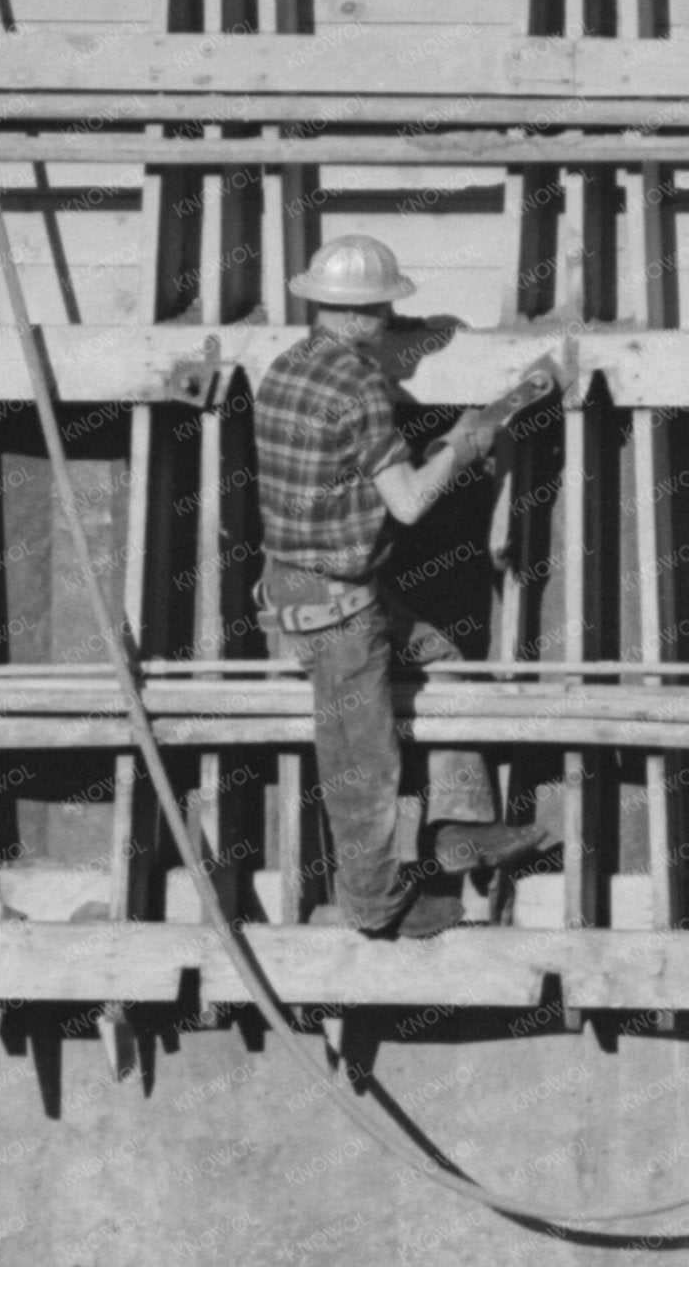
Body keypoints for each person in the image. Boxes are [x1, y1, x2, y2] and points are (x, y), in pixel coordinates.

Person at [252, 234, 564, 939]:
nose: (395, 321)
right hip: (339, 609)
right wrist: (465, 443)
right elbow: (411, 505)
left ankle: (458, 822)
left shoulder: (286, 368)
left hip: (293, 579)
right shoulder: (361, 385)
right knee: (362, 768)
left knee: (439, 656)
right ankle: (378, 905)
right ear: (369, 313)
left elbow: (333, 473)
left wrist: (410, 457)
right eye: (389, 308)